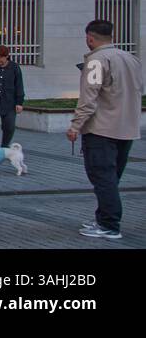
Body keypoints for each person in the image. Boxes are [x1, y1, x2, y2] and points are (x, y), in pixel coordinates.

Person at [67, 19, 144, 241]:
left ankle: (109, 225)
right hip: (127, 128)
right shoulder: (131, 59)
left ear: (90, 38)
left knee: (102, 177)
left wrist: (76, 125)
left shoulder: (96, 62)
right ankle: (103, 219)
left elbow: (89, 98)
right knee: (112, 177)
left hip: (102, 129)